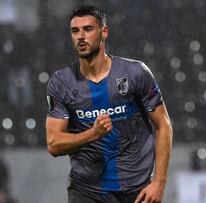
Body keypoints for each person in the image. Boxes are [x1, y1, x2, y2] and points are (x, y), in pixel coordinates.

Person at [45, 5, 173, 203]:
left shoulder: (135, 73)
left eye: (88, 29)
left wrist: (159, 182)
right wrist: (92, 134)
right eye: (75, 31)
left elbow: (163, 124)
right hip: (87, 191)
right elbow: (53, 144)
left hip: (137, 191)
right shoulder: (61, 82)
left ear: (104, 31)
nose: (80, 36)